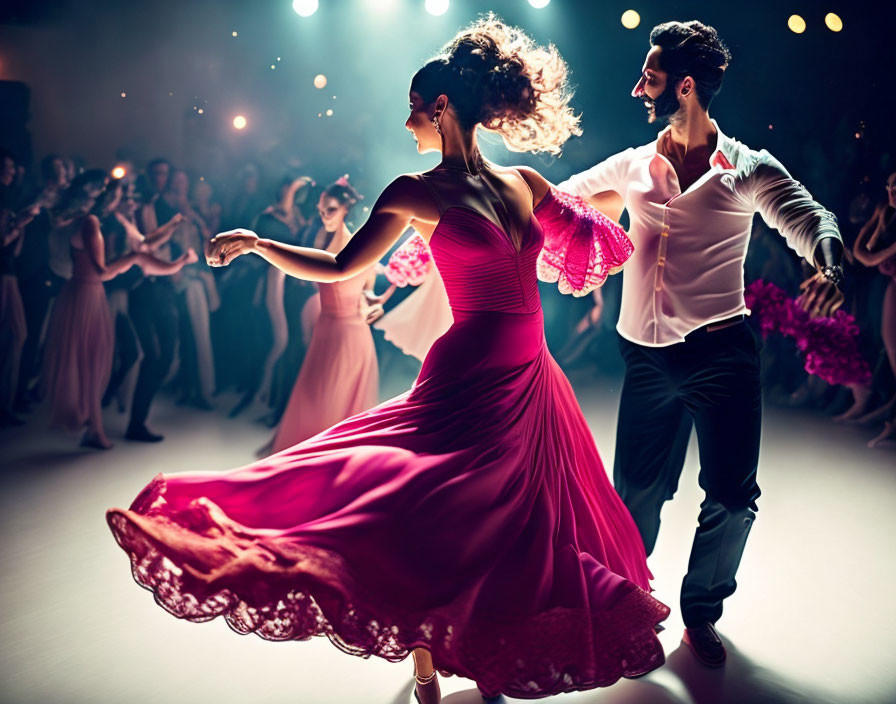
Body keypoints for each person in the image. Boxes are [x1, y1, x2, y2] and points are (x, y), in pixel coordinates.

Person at [107, 15, 668, 703]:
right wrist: (260, 243)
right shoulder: (416, 192)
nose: (408, 125)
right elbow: (342, 263)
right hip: (466, 376)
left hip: (531, 382)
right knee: (432, 507)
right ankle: (430, 653)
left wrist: (657, 204)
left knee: (506, 524)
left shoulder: (524, 183)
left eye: (413, 110)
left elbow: (600, 236)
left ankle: (474, 652)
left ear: (439, 109)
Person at [558, 20, 845, 667]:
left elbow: (811, 219)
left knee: (731, 497)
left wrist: (828, 263)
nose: (637, 89)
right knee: (635, 491)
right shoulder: (633, 166)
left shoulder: (746, 169)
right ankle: (625, 597)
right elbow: (559, 200)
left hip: (722, 356)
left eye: (650, 79)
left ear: (684, 87)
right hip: (646, 358)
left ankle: (701, 612)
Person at [43, 179, 197, 449]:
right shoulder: (99, 222)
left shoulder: (115, 221)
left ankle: (100, 418)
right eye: (123, 195)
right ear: (106, 197)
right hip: (100, 294)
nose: (130, 201)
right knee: (98, 360)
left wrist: (173, 238)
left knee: (108, 358)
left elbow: (145, 247)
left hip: (96, 293)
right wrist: (150, 260)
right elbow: (119, 263)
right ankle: (98, 421)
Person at [265, 177, 391, 454]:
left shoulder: (355, 245)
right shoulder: (325, 238)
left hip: (348, 335)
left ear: (346, 208)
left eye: (330, 210)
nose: (324, 217)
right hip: (327, 328)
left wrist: (374, 303)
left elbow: (367, 290)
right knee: (315, 404)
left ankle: (324, 468)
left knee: (331, 409)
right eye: (321, 211)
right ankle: (310, 461)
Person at [852, 171, 896, 447]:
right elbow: (862, 253)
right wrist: (889, 251)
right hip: (889, 284)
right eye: (889, 186)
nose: (892, 192)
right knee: (891, 350)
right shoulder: (886, 213)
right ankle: (890, 421)